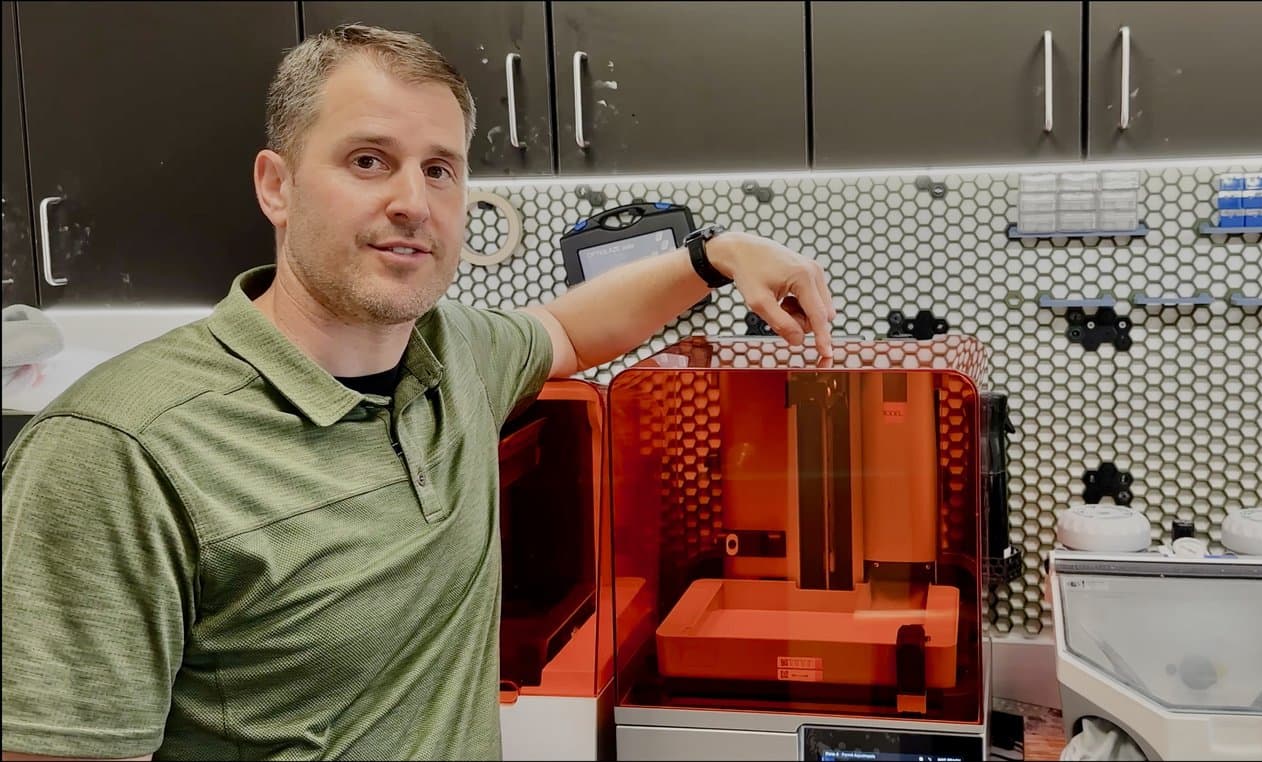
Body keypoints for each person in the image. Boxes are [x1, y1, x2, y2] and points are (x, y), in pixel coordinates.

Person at [0, 23, 834, 762]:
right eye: (369, 161)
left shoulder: (455, 352)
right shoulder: (116, 452)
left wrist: (714, 255)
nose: (412, 202)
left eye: (440, 170)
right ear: (276, 185)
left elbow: (572, 331)